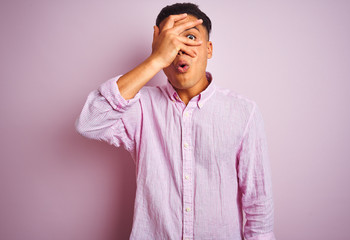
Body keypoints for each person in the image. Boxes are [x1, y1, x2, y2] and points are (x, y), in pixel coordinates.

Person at [75, 2, 276, 240]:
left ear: (209, 49)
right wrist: (155, 60)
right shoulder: (139, 106)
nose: (180, 49)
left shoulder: (244, 112)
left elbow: (258, 208)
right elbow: (89, 122)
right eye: (170, 42)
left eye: (190, 37)